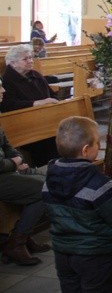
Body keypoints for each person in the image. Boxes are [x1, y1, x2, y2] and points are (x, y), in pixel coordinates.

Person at [43, 116, 112, 291]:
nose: (99, 146)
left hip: (62, 252)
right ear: (85, 150)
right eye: (97, 143)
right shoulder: (98, 183)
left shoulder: (49, 180)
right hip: (94, 254)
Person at [0, 80, 51, 266]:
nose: (4, 89)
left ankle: (22, 235)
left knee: (48, 178)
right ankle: (17, 242)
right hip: (2, 175)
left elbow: (6, 145)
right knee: (44, 189)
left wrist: (18, 159)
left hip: (6, 171)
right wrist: (12, 164)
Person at [0, 44, 60, 166]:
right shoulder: (7, 80)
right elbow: (8, 105)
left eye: (31, 57)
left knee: (64, 137)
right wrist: (35, 103)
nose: (30, 61)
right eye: (25, 59)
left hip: (46, 121)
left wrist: (53, 104)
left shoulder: (36, 75)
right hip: (24, 126)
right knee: (45, 143)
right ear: (13, 63)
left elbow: (52, 95)